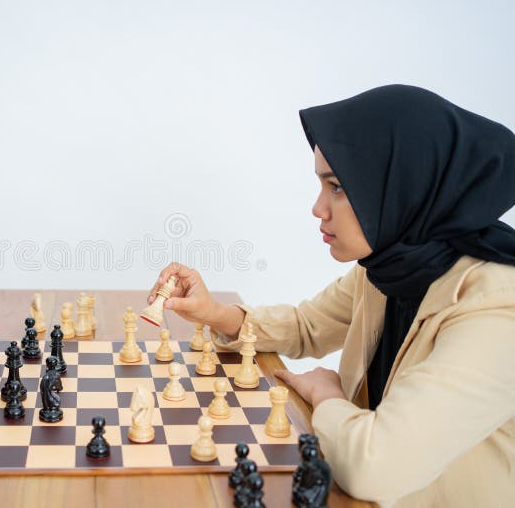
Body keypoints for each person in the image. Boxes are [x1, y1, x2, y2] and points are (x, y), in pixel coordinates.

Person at [148, 85, 515, 507]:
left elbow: (375, 465)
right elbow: (307, 326)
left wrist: (327, 395)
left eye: (337, 187)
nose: (318, 208)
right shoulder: (391, 265)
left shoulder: (498, 310)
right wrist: (214, 313)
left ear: (403, 185)